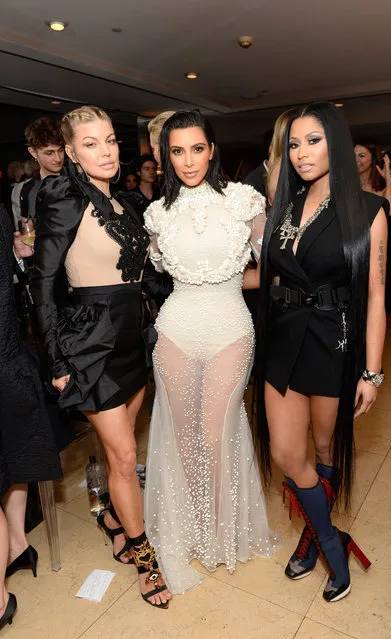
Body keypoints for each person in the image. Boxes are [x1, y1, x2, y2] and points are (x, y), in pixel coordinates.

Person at [30, 105, 171, 609]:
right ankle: (144, 556)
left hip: (136, 337)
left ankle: (112, 516)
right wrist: (58, 362)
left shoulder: (127, 203)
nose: (106, 150)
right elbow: (42, 286)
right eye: (90, 143)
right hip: (93, 343)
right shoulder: (61, 198)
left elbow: (146, 278)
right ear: (69, 151)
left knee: (123, 447)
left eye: (110, 140)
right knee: (125, 456)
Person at [254, 102, 388, 603]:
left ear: (335, 140)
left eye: (313, 140)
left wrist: (372, 373)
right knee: (288, 454)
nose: (302, 153)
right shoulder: (284, 206)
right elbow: (268, 277)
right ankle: (331, 540)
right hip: (283, 337)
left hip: (335, 341)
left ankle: (311, 535)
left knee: (327, 449)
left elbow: (376, 295)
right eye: (293, 144)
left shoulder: (369, 210)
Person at [143, 109, 280, 595]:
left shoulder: (245, 200)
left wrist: (227, 282)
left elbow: (275, 267)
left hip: (229, 327)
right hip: (176, 328)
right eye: (176, 151)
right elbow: (163, 271)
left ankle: (223, 531)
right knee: (185, 437)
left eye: (196, 149)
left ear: (212, 149)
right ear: (166, 156)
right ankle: (196, 529)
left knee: (216, 431)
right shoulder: (157, 212)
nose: (187, 160)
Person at [0, 205, 62, 630]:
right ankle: (19, 543)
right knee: (13, 453)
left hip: (6, 354)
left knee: (12, 453)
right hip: (9, 359)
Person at [354, 140, 391, 216]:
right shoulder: (347, 186)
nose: (355, 160)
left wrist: (388, 179)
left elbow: (390, 211)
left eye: (361, 156)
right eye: (353, 155)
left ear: (373, 159)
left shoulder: (383, 188)